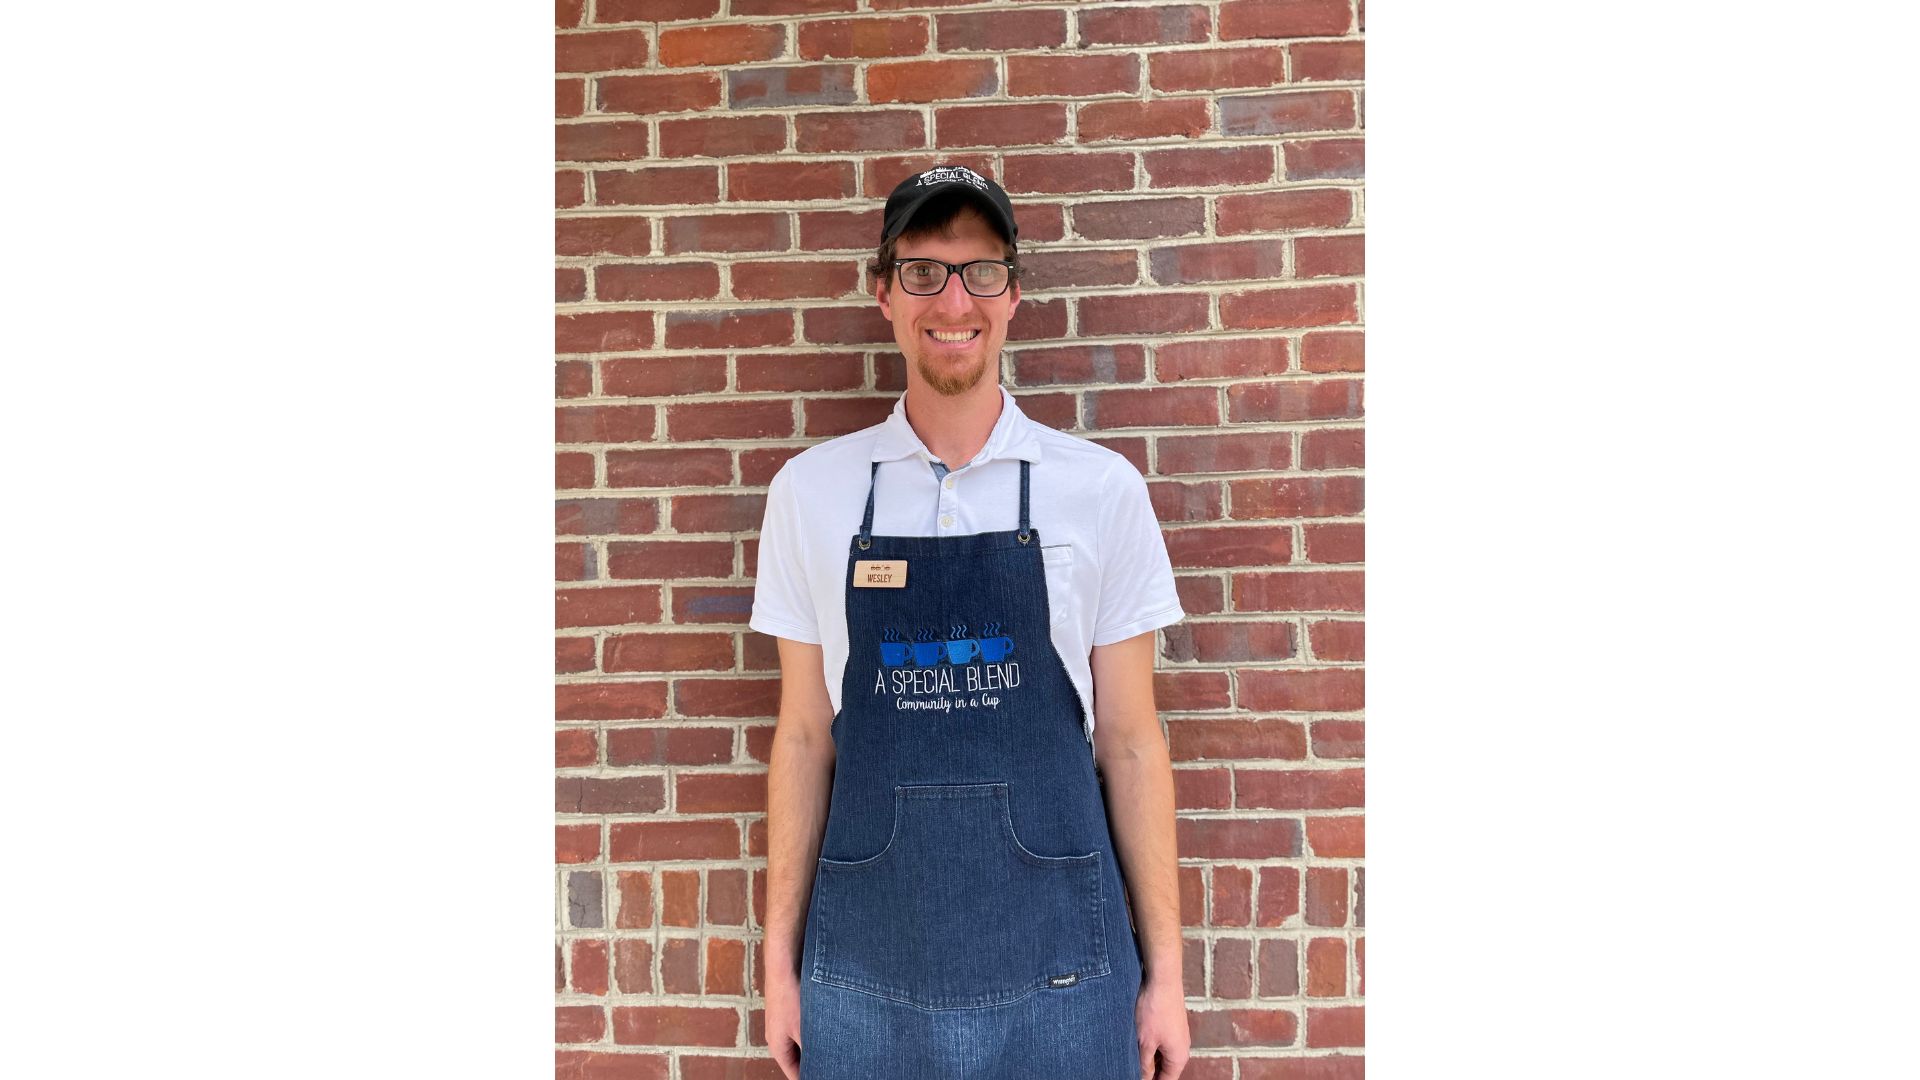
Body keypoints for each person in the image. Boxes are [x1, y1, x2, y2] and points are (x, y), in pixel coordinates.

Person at [750, 164, 1192, 1080]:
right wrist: (778, 967)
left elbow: (1131, 741)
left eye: (980, 271)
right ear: (883, 292)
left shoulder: (1100, 490)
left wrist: (1168, 979)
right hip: (863, 976)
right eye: (923, 271)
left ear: (1014, 294)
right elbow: (802, 737)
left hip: (1068, 975)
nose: (954, 301)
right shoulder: (810, 493)